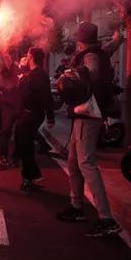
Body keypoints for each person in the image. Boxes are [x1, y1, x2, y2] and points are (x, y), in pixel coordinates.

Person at [56, 22, 121, 237]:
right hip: (82, 113)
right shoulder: (99, 52)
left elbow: (90, 74)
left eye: (77, 38)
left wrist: (72, 76)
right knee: (74, 162)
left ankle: (106, 219)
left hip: (88, 114)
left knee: (86, 163)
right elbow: (112, 45)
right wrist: (118, 36)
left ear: (81, 39)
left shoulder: (91, 56)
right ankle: (76, 207)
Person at [16, 48, 54, 192]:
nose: (25, 57)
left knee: (25, 145)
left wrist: (50, 116)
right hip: (25, 113)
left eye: (27, 55)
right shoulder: (30, 74)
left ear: (31, 57)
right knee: (23, 144)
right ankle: (32, 176)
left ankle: (31, 177)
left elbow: (47, 96)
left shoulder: (39, 75)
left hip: (32, 114)